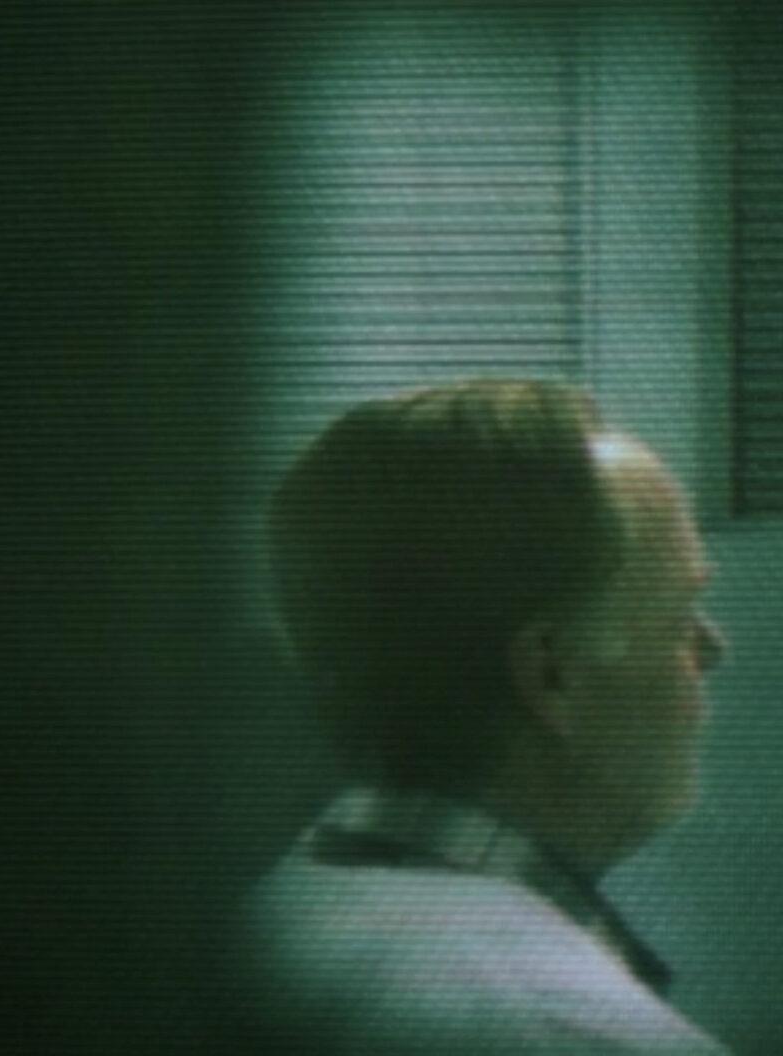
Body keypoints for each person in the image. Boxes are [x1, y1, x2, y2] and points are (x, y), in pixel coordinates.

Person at [245, 380, 731, 1055]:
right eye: (679, 617)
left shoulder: (239, 950)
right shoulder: (580, 1032)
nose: (713, 649)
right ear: (551, 674)